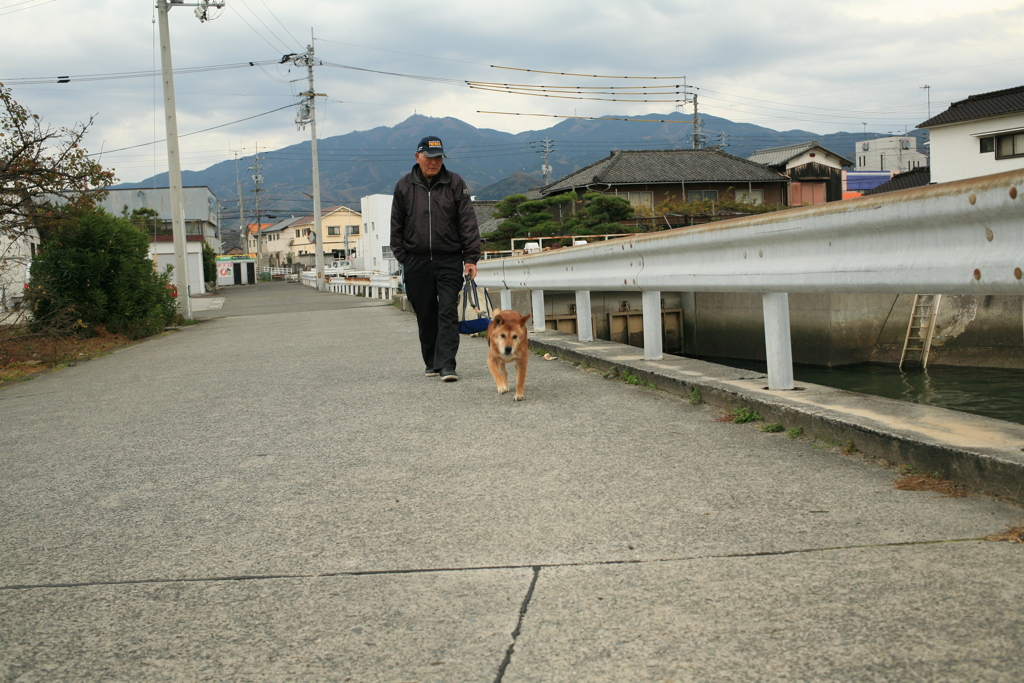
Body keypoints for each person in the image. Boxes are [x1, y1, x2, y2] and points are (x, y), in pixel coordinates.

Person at [390, 136, 481, 382]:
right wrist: (403, 256)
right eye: (430, 158)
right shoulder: (403, 185)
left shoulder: (455, 182)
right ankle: (431, 362)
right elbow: (396, 225)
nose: (434, 162)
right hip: (416, 261)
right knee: (425, 313)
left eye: (439, 157)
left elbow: (467, 222)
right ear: (418, 157)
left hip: (449, 259)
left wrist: (471, 257)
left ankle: (447, 365)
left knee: (448, 311)